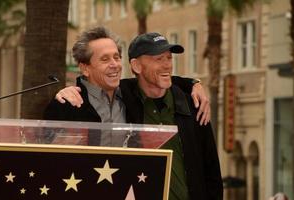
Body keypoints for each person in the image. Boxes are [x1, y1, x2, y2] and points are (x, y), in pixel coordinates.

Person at [44, 27, 222, 199]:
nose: (114, 65)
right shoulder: (67, 105)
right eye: (105, 59)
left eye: (116, 57)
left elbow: (157, 79)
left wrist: (193, 83)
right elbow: (50, 168)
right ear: (85, 68)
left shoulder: (128, 95)